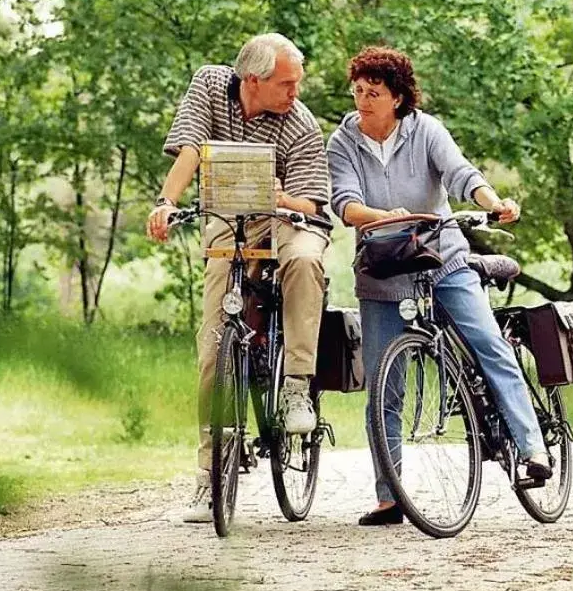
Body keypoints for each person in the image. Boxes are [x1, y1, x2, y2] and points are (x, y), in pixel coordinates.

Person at [327, 46, 550, 526]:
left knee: (488, 343)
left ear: (399, 97)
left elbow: (461, 174)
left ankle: (532, 448)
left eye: (375, 93)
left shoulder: (425, 130)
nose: (363, 101)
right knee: (384, 385)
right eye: (358, 91)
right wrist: (382, 217)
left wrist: (493, 201)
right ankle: (390, 497)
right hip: (382, 268)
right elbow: (344, 203)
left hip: (442, 257)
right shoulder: (342, 141)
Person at [146, 33, 331, 524]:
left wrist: (283, 199)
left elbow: (315, 204)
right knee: (212, 351)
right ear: (253, 79)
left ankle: (295, 382)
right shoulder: (209, 85)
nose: (296, 92)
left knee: (305, 260)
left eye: (298, 83)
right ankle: (211, 476)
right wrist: (167, 202)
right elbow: (191, 150)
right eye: (287, 83)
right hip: (229, 216)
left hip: (288, 217)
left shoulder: (300, 123)